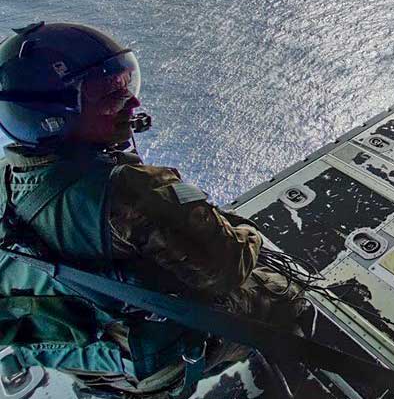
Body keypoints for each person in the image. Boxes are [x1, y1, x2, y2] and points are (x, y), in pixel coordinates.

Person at [0, 22, 306, 398]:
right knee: (285, 293)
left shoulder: (7, 181)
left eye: (127, 83)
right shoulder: (127, 191)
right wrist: (248, 232)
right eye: (110, 94)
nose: (133, 103)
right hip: (155, 361)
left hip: (80, 357)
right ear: (54, 117)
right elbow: (228, 267)